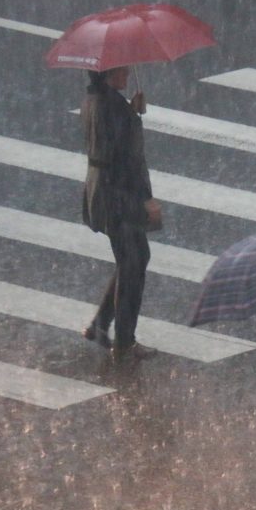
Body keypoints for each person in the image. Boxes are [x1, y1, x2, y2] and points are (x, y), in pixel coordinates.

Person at [80, 65, 161, 362]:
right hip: (120, 197)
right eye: (121, 70)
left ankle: (101, 325)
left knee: (133, 259)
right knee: (133, 263)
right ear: (108, 75)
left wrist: (129, 111)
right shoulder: (112, 109)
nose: (127, 73)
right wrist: (146, 200)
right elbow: (127, 160)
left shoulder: (94, 101)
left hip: (101, 191)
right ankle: (124, 342)